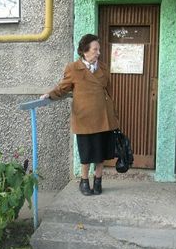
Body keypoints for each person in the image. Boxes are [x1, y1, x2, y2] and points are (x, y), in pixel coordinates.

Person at [40, 34, 119, 196]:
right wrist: (49, 95)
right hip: (84, 118)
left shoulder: (103, 67)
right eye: (95, 49)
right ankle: (84, 181)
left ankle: (98, 181)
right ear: (84, 51)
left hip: (103, 116)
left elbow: (109, 92)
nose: (98, 53)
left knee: (101, 152)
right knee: (86, 152)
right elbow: (63, 87)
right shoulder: (73, 68)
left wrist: (113, 113)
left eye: (99, 49)